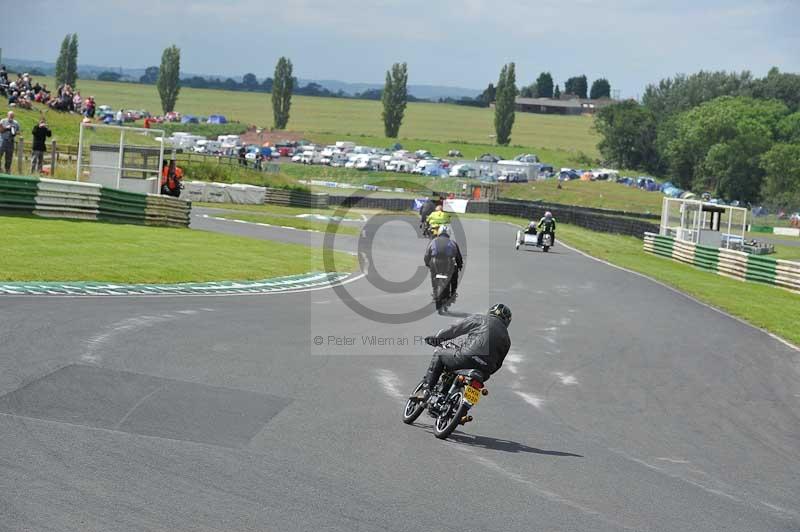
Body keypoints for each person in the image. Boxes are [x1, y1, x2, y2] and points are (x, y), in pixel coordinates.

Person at [414, 304, 512, 400]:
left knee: (440, 354)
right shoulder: (507, 340)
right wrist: (486, 371)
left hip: (466, 357)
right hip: (484, 371)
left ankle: (426, 390)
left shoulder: (480, 319)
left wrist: (436, 339)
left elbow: (454, 330)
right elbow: (498, 364)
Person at [424, 225, 463, 312]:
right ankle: (453, 293)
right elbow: (458, 256)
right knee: (454, 275)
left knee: (433, 276)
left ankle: (435, 293)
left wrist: (427, 263)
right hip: (448, 262)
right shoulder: (453, 243)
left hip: (435, 262)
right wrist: (460, 265)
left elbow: (427, 254)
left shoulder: (433, 241)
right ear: (448, 233)